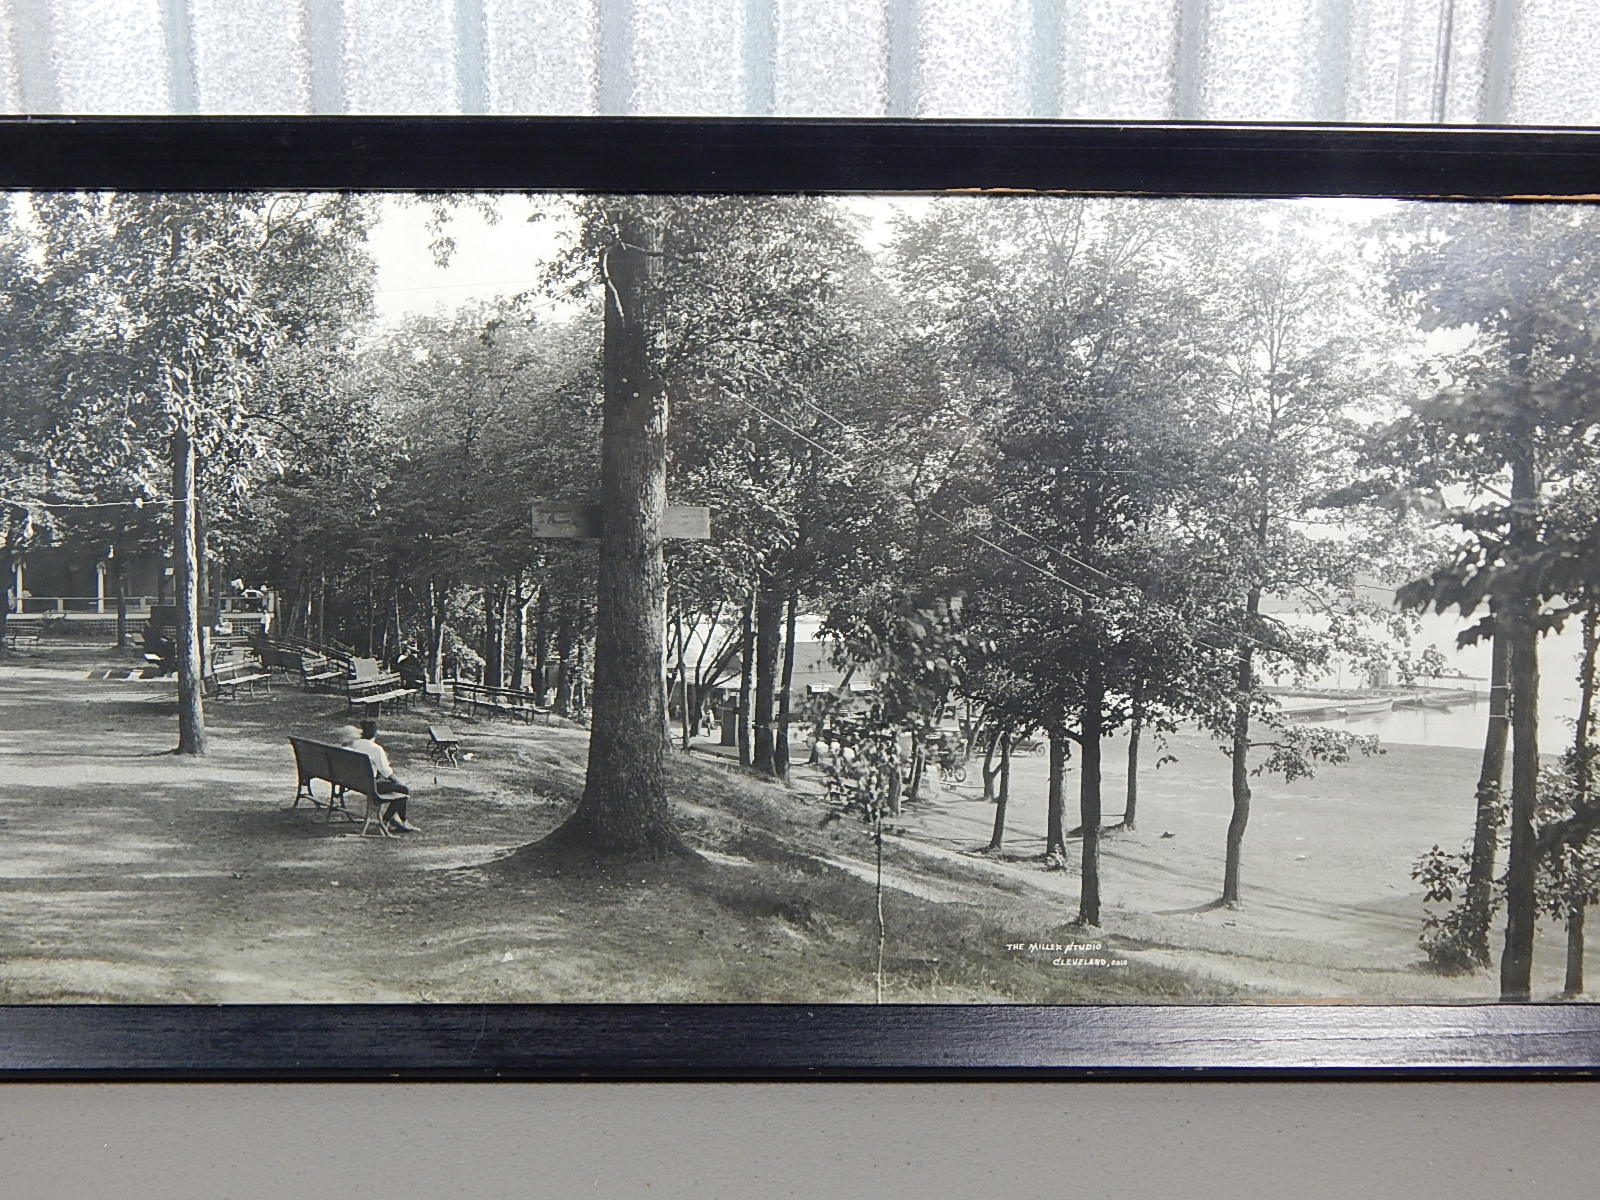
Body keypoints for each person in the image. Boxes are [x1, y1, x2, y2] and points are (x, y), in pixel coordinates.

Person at [339, 720, 420, 833]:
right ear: (375, 733)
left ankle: (396, 820)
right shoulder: (376, 749)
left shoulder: (354, 744)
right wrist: (399, 783)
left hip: (355, 782)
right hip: (370, 786)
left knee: (398, 789)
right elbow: (387, 772)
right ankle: (389, 821)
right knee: (403, 790)